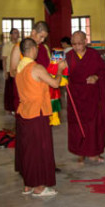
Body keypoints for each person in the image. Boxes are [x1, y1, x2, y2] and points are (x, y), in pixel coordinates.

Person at [15, 37, 67, 197]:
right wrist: (59, 69)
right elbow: (55, 84)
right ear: (32, 49)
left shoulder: (20, 68)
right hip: (37, 113)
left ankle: (28, 185)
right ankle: (38, 187)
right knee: (39, 150)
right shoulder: (35, 68)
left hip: (24, 112)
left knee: (28, 150)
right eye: (36, 48)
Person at [66, 31, 105, 164]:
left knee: (93, 125)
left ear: (85, 42)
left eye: (79, 43)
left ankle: (94, 152)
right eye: (73, 44)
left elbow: (103, 71)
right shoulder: (67, 55)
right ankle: (80, 152)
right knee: (77, 125)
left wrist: (96, 77)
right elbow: (54, 70)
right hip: (75, 96)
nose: (77, 47)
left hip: (91, 96)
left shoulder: (93, 54)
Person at [2, 28, 21, 114]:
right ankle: (9, 108)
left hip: (20, 70)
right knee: (10, 91)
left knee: (19, 90)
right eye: (14, 33)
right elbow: (4, 59)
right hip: (10, 70)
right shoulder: (7, 45)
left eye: (17, 33)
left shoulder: (21, 44)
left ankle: (18, 107)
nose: (16, 34)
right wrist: (5, 71)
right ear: (10, 35)